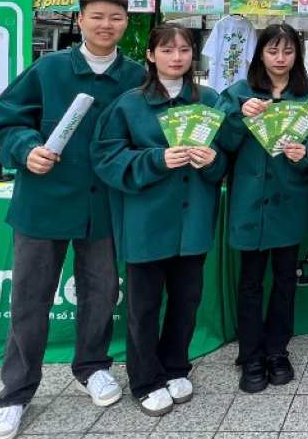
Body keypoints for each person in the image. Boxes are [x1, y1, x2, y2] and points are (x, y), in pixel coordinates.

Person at [0, 0, 145, 439]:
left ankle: (92, 367)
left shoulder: (134, 77)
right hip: (45, 202)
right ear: (80, 20)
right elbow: (6, 121)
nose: (106, 25)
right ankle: (14, 394)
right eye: (97, 17)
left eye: (115, 18)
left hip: (104, 206)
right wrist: (25, 150)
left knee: (100, 292)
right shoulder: (49, 69)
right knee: (30, 298)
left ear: (126, 24)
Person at [92, 25, 226, 416]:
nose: (177, 57)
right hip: (146, 222)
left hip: (194, 218)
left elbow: (227, 159)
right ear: (150, 55)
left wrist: (213, 160)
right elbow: (106, 158)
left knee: (187, 299)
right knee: (144, 304)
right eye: (167, 50)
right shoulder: (129, 105)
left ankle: (176, 365)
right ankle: (145, 379)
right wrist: (155, 159)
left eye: (184, 49)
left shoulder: (211, 101)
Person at [217, 23, 308, 393]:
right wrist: (240, 117)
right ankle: (250, 354)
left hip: (289, 202)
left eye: (288, 51)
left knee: (284, 279)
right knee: (250, 282)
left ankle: (278, 350)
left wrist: (303, 154)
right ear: (260, 53)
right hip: (249, 203)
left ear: (297, 55)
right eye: (273, 51)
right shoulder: (237, 94)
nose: (280, 59)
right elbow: (219, 145)